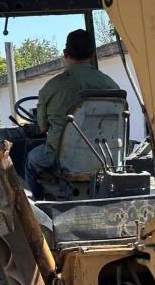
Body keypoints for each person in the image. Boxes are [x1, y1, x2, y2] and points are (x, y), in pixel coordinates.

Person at [25, 29, 120, 199]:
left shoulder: (51, 87)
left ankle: (39, 209)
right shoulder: (112, 85)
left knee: (31, 159)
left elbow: (43, 127)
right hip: (104, 159)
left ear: (65, 54)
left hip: (61, 157)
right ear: (92, 54)